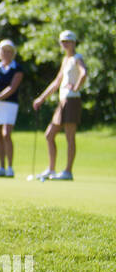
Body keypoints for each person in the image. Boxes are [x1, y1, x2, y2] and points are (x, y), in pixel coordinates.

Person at [32, 31, 87, 181]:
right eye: (62, 41)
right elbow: (57, 82)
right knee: (49, 134)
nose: (65, 44)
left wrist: (76, 87)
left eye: (67, 41)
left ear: (74, 42)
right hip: (63, 101)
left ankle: (68, 171)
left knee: (70, 137)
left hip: (72, 100)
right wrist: (41, 98)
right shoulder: (66, 60)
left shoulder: (77, 58)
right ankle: (51, 169)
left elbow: (83, 73)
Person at [0, 39, 24, 177]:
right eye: (4, 51)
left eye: (9, 51)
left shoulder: (17, 68)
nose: (6, 53)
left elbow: (12, 88)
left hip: (10, 104)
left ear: (13, 53)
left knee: (6, 134)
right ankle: (1, 167)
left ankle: (10, 168)